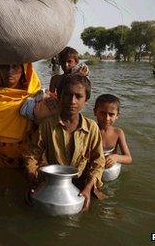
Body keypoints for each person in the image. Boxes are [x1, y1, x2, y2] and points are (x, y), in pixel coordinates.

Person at [25, 74, 105, 211]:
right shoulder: (47, 125)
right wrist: (34, 181)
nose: (72, 101)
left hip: (82, 183)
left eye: (78, 96)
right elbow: (32, 156)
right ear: (59, 97)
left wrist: (88, 187)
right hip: (53, 183)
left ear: (86, 100)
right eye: (67, 95)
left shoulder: (92, 127)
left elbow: (98, 162)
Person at [93, 94, 132, 169]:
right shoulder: (91, 130)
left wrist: (116, 157)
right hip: (94, 167)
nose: (107, 118)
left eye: (111, 114)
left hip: (111, 170)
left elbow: (128, 158)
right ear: (95, 112)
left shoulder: (118, 133)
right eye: (103, 113)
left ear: (117, 115)